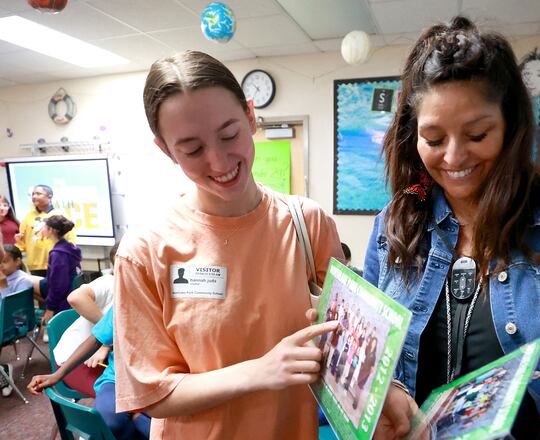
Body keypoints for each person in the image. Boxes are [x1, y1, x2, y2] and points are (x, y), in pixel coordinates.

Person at [364, 17, 540, 439]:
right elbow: (373, 353)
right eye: (433, 139)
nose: (454, 156)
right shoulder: (392, 227)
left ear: (511, 126)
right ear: (413, 137)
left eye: (477, 134)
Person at [113, 50, 343, 439]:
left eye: (229, 134)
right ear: (165, 149)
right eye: (192, 149)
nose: (219, 162)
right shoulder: (145, 250)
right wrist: (259, 371)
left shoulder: (307, 224)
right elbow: (150, 392)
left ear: (251, 116)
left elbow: (348, 345)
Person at [29, 307, 152, 439]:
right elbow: (96, 339)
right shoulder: (125, 298)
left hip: (165, 379)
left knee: (163, 428)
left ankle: (135, 419)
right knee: (108, 424)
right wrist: (58, 375)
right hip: (119, 378)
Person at [51, 242, 119, 397]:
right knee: (125, 400)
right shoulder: (110, 282)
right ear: (113, 267)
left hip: (104, 358)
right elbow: (76, 297)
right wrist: (108, 338)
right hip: (76, 362)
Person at [15, 184, 76, 277]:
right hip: (35, 264)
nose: (34, 196)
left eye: (38, 194)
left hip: (56, 262)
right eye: (33, 194)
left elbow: (70, 239)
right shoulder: (28, 216)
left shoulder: (60, 215)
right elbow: (21, 241)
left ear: (49, 197)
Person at [0, 244, 35, 397]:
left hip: (14, 325)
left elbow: (13, 313)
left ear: (18, 261)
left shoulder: (22, 280)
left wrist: (3, 285)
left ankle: (4, 370)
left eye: (4, 261)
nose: (0, 265)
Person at [42, 215, 82, 329]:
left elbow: (58, 286)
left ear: (51, 230)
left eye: (45, 227)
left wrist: (50, 308)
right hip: (70, 291)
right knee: (30, 281)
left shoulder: (58, 254)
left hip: (63, 299)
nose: (42, 229)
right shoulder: (69, 248)